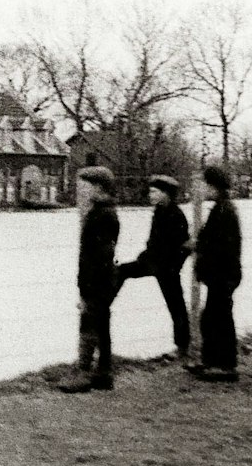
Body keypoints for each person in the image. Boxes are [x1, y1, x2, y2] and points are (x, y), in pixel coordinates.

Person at [59, 166, 122, 393]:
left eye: (83, 187)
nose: (80, 193)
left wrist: (85, 286)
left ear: (98, 188)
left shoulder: (101, 216)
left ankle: (84, 371)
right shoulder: (103, 213)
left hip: (96, 279)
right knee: (101, 323)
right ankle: (103, 372)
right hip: (103, 278)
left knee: (89, 321)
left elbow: (97, 256)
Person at [117, 174, 191, 361]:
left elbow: (184, 246)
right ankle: (103, 304)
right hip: (152, 263)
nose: (150, 195)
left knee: (176, 305)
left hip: (166, 268)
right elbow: (154, 243)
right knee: (120, 271)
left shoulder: (176, 215)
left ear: (165, 194)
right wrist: (144, 257)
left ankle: (182, 347)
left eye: (154, 191)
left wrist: (173, 267)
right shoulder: (158, 212)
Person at [190, 165, 241, 382]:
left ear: (214, 186)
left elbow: (219, 246)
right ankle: (212, 361)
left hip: (223, 274)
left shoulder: (224, 212)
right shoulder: (221, 209)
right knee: (211, 317)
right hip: (220, 274)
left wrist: (199, 247)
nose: (200, 189)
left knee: (220, 318)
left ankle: (226, 366)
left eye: (203, 184)